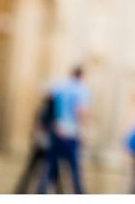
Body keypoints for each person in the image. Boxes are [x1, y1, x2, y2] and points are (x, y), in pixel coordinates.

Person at [37, 65, 91, 194]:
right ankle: (79, 193)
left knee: (51, 163)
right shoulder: (82, 90)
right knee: (74, 167)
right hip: (71, 132)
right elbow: (80, 111)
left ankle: (42, 190)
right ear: (81, 76)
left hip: (56, 129)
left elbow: (47, 99)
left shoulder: (59, 86)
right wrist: (82, 131)